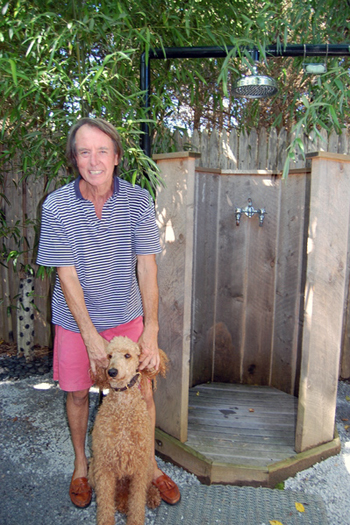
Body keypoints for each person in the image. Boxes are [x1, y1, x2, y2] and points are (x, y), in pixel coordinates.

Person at [36, 117, 180, 508]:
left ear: (117, 157)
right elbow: (66, 277)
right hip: (75, 319)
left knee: (142, 393)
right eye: (85, 151)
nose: (94, 160)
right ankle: (82, 465)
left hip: (127, 314)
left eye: (102, 150)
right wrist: (89, 337)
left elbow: (147, 266)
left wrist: (150, 329)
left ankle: (148, 465)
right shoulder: (57, 205)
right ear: (74, 159)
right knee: (78, 393)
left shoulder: (137, 200)